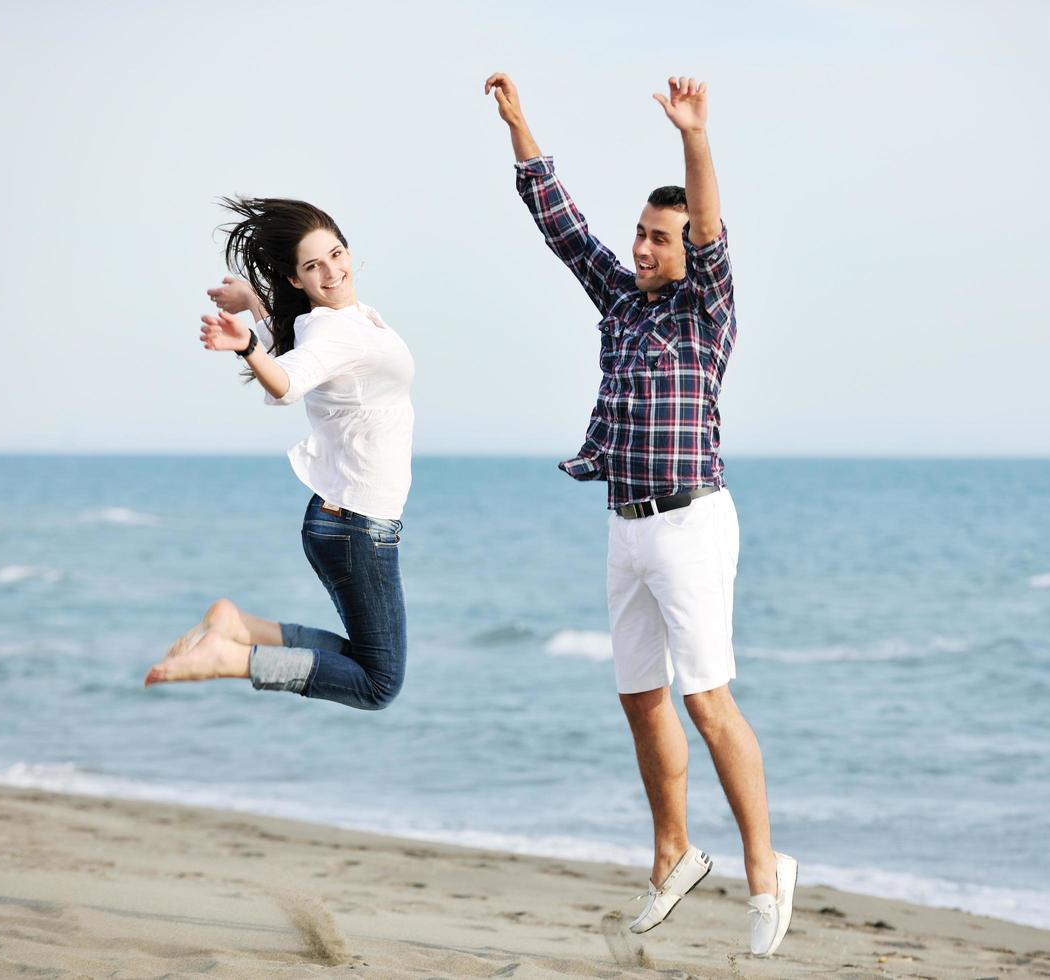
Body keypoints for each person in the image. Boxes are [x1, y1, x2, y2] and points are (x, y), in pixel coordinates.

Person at [484, 73, 795, 956]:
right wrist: (520, 125)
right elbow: (561, 227)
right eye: (642, 235)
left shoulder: (707, 310)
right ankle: (673, 857)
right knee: (638, 696)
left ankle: (767, 871)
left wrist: (694, 137)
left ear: (689, 249)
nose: (644, 248)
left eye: (661, 238)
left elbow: (708, 221)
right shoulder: (620, 301)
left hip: (693, 522)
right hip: (626, 522)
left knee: (708, 700)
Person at [144, 197, 414, 713]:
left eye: (336, 255)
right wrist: (248, 346)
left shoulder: (347, 320)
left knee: (370, 665)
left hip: (350, 521)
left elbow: (293, 351)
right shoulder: (335, 329)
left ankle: (238, 628)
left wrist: (253, 307)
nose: (332, 271)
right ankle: (232, 656)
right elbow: (288, 381)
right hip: (357, 523)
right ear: (296, 279)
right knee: (377, 684)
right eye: (314, 266)